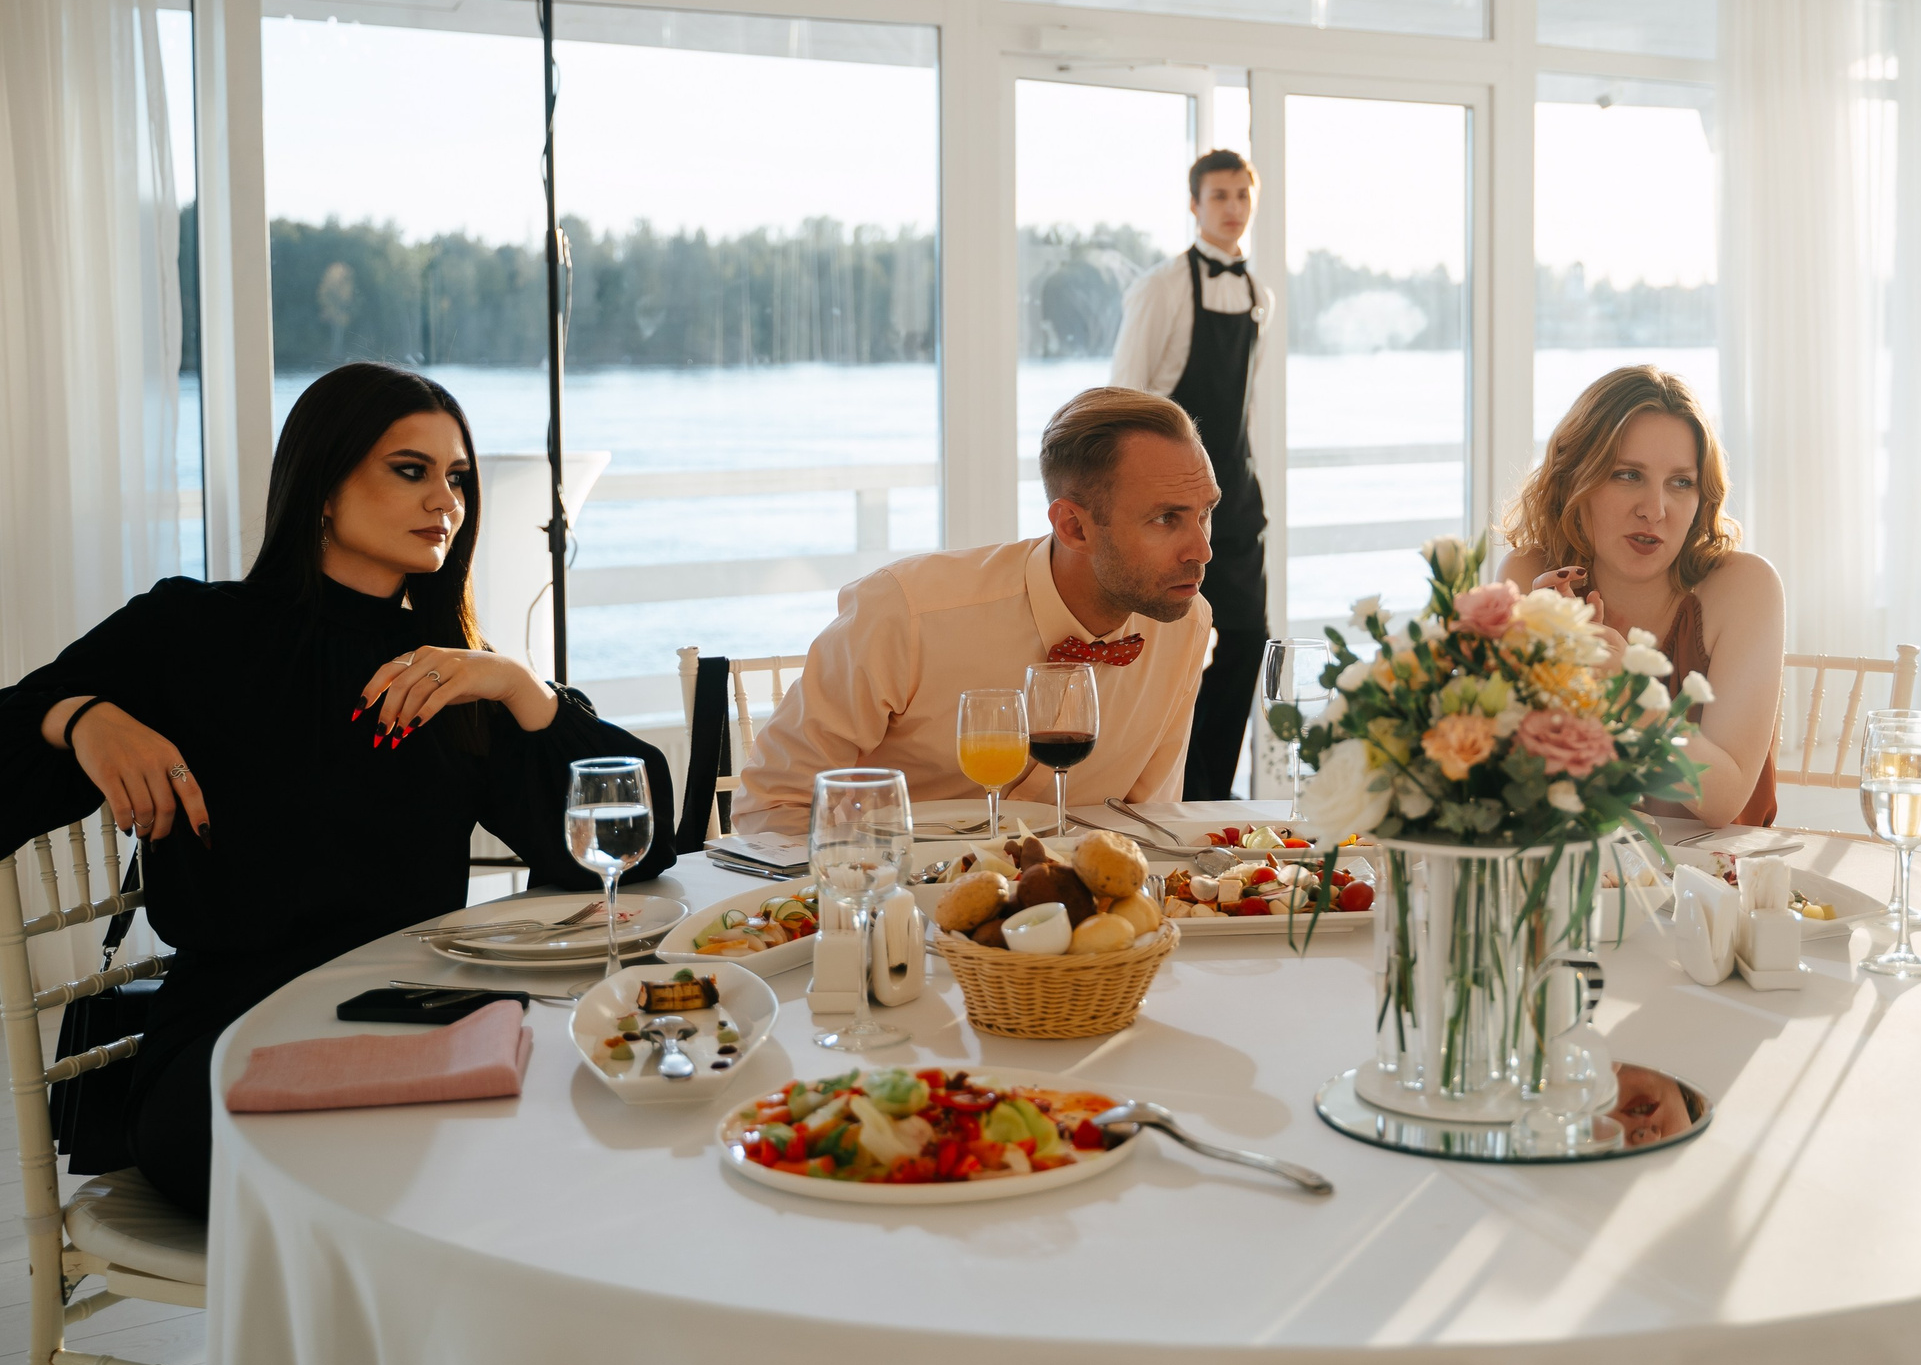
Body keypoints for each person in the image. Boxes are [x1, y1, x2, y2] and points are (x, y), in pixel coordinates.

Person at [0, 363, 678, 1215]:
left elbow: (639, 837)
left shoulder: (444, 678)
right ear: (323, 484)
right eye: (411, 470)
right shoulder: (193, 634)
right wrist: (78, 716)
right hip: (227, 1046)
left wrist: (520, 687)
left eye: (458, 478)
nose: (447, 501)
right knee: (447, 1165)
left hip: (412, 1031)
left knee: (591, 1116)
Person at [734, 388, 1216, 832]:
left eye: (1205, 513)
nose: (1202, 550)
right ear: (1073, 527)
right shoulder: (908, 612)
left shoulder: (1185, 623)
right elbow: (774, 807)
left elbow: (1144, 821)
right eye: (1165, 518)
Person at [1497, 365, 1784, 830]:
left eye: (1681, 482)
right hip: (1575, 882)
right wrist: (1535, 676)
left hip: (1714, 887)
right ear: (1575, 480)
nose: (1654, 509)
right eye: (1628, 475)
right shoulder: (1530, 576)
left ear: (1702, 498)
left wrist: (1629, 692)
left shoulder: (1745, 586)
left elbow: (1723, 800)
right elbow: (1508, 791)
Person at [1109, 148, 1270, 800]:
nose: (1233, 208)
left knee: (1248, 638)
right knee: (1163, 646)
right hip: (1169, 502)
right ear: (1195, 205)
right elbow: (1122, 398)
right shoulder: (1163, 287)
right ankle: (1166, 790)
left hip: (1238, 492)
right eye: (1219, 196)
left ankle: (1210, 794)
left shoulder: (1263, 294)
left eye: (1242, 195)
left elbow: (1247, 403)